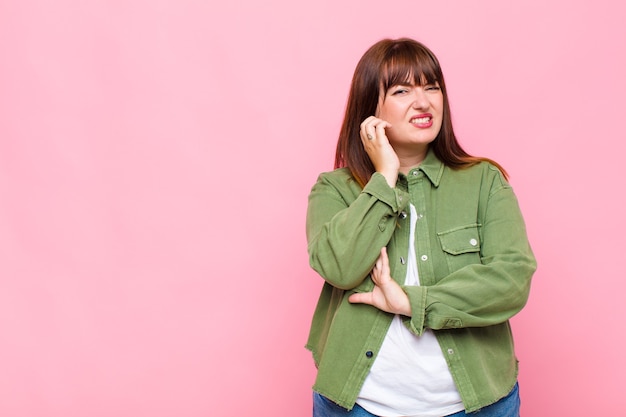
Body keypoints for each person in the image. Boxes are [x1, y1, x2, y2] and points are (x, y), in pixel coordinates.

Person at [305, 38, 537, 417]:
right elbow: (340, 267)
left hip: (476, 405)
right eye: (401, 90)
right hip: (358, 406)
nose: (424, 102)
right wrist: (385, 177)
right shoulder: (335, 189)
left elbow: (512, 280)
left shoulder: (484, 181)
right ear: (370, 110)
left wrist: (412, 302)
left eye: (432, 87)